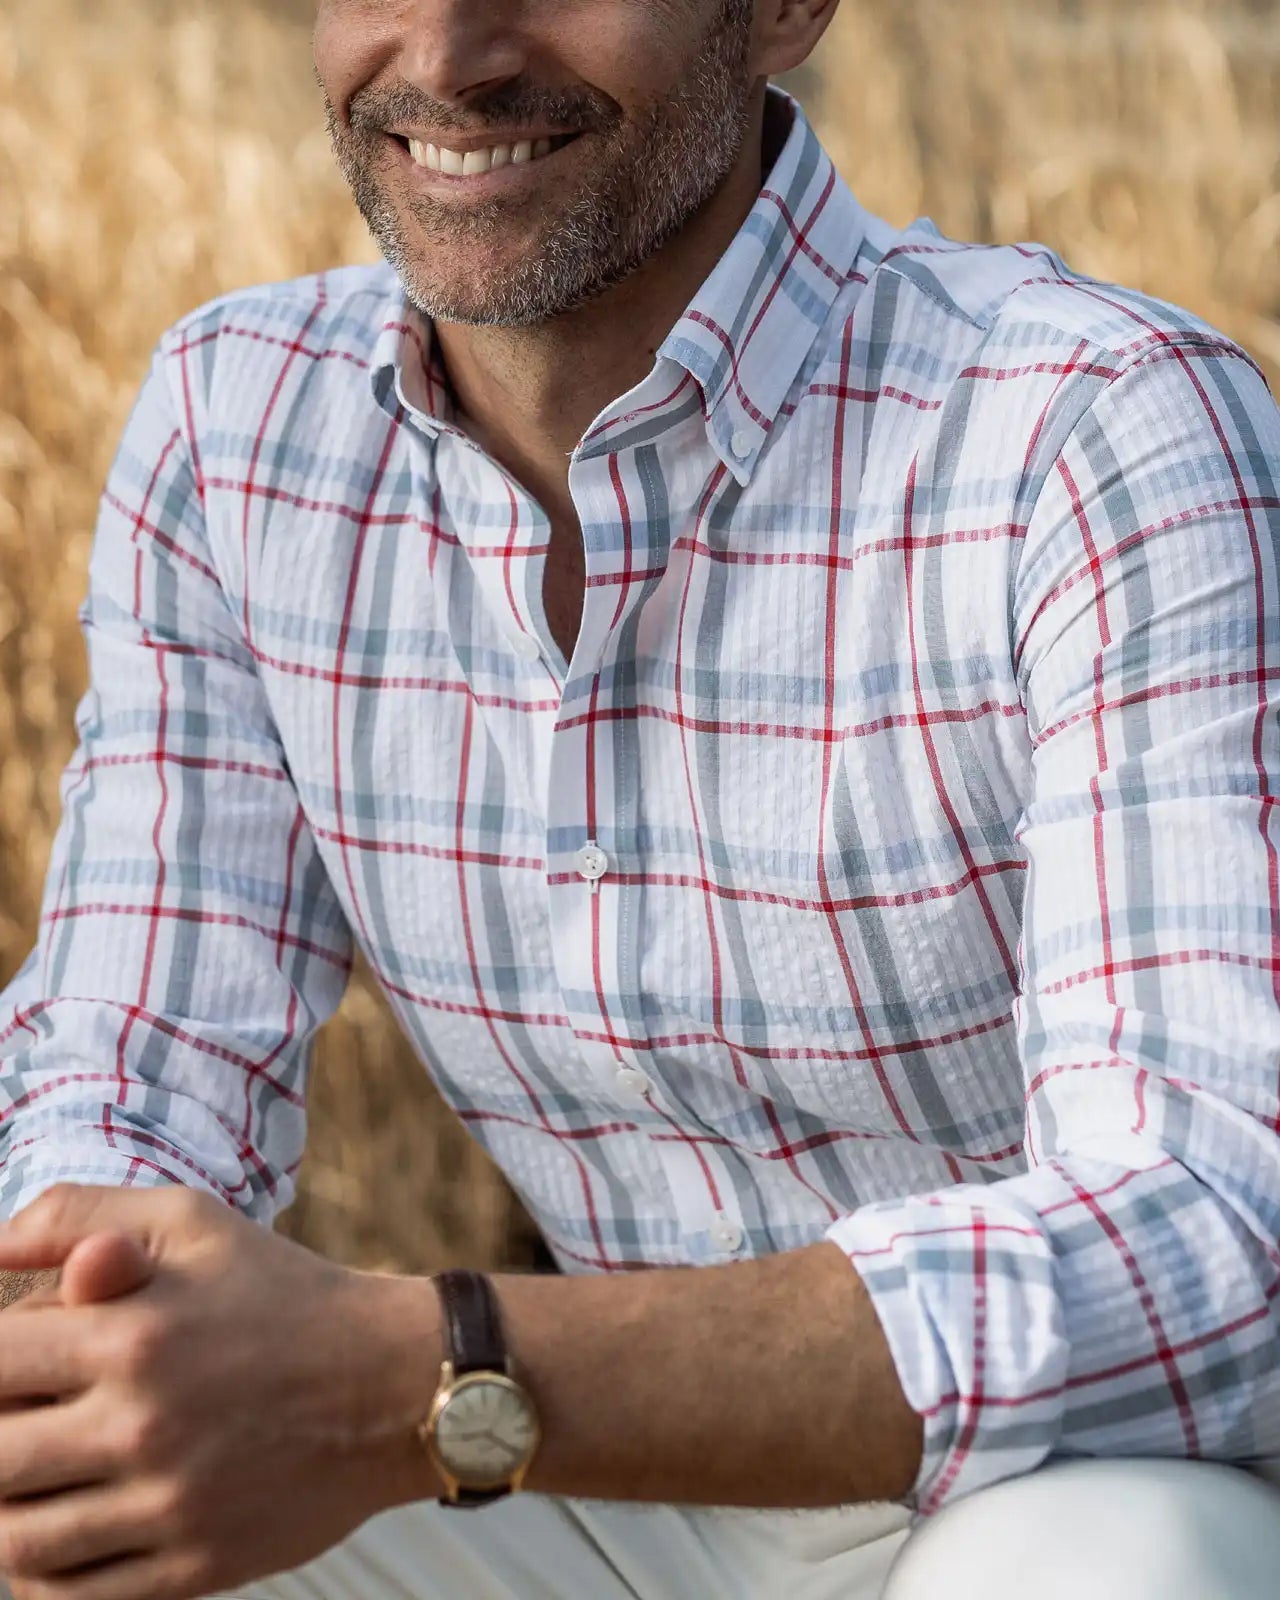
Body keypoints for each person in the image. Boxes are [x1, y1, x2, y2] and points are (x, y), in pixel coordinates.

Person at [1, 0, 1280, 1595]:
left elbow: (1215, 1243)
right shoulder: (238, 428)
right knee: (59, 1518)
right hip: (596, 1483)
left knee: (1118, 1567)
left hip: (1077, 1476)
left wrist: (420, 1368)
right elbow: (122, 1088)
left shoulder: (1096, 428)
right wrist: (95, 1319)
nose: (451, 53)